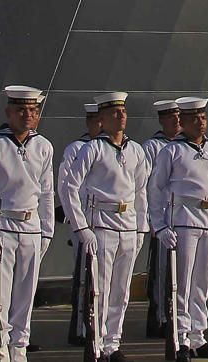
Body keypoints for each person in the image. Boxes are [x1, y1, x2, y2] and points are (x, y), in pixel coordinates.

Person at [0, 86, 55, 362]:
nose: (27, 115)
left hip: (31, 228)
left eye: (32, 110)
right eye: (21, 110)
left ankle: (19, 350)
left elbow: (46, 191)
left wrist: (47, 232)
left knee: (25, 296)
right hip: (1, 228)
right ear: (9, 113)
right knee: (0, 298)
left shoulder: (43, 146)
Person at [63, 92, 149, 362]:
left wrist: (140, 228)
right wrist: (80, 227)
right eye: (114, 113)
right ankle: (97, 343)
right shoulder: (93, 149)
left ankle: (113, 342)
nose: (121, 116)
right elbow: (69, 187)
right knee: (99, 289)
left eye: (123, 111)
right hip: (101, 225)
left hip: (127, 225)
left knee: (121, 291)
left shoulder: (135, 150)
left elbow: (141, 191)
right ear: (101, 119)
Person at [149, 97, 208, 359]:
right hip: (183, 221)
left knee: (201, 284)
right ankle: (181, 337)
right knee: (181, 284)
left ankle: (198, 336)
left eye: (203, 117)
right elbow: (155, 189)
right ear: (182, 122)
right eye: (194, 118)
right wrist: (160, 226)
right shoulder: (171, 151)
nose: (201, 122)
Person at [61, 101, 103, 347]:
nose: (101, 124)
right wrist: (76, 223)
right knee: (84, 275)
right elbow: (66, 185)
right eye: (97, 120)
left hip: (105, 221)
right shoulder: (77, 149)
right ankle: (79, 327)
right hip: (82, 220)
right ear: (89, 122)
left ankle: (99, 327)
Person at [141, 100, 182, 341]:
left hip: (180, 217)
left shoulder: (182, 146)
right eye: (171, 117)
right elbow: (148, 184)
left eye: (178, 117)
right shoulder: (153, 147)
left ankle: (174, 316)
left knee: (177, 272)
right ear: (162, 120)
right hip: (162, 217)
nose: (176, 121)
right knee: (159, 271)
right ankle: (159, 318)